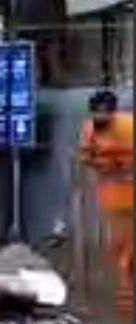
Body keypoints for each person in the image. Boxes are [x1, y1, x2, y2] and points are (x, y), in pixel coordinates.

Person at [78, 90, 134, 309]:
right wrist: (103, 167)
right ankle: (124, 283)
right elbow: (85, 157)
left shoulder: (129, 126)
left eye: (105, 114)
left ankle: (125, 282)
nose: (100, 118)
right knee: (117, 240)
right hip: (111, 193)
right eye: (96, 114)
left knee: (127, 239)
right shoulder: (89, 129)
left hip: (128, 190)